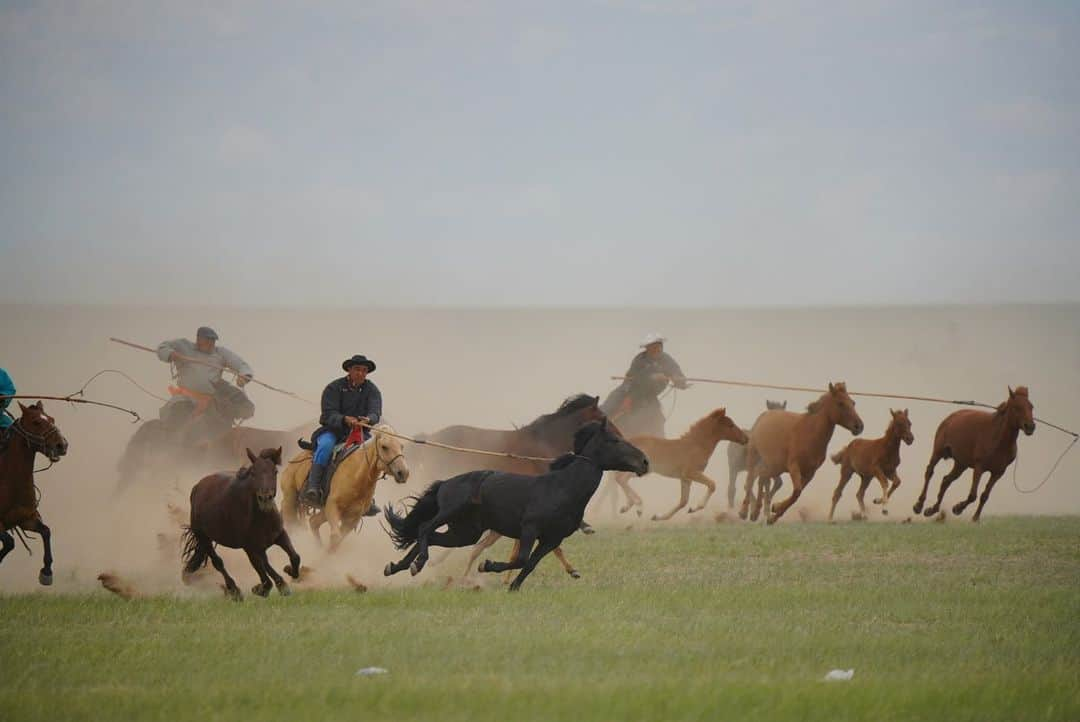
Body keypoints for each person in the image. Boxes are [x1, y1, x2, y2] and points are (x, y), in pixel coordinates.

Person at [300, 354, 383, 509]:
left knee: (371, 454)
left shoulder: (372, 390)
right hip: (333, 431)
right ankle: (313, 488)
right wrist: (344, 419)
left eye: (364, 370)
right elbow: (328, 413)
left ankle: (367, 497)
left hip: (360, 433)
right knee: (325, 446)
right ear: (349, 370)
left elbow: (375, 412)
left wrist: (368, 420)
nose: (360, 373)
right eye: (357, 369)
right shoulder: (333, 388)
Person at [156, 327, 255, 442]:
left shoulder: (220, 353)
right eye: (207, 339)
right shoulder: (184, 346)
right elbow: (162, 347)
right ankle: (172, 443)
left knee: (223, 420)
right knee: (179, 411)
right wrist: (171, 354)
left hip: (211, 401)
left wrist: (244, 376)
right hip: (185, 397)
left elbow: (241, 365)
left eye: (213, 340)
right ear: (198, 338)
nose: (210, 343)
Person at [601, 333, 688, 437]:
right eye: (653, 347)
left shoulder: (667, 360)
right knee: (609, 405)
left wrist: (679, 380)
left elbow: (678, 376)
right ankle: (597, 424)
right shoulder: (640, 359)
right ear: (647, 348)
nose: (657, 349)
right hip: (631, 389)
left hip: (649, 395)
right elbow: (632, 379)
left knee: (657, 420)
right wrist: (630, 396)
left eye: (659, 346)